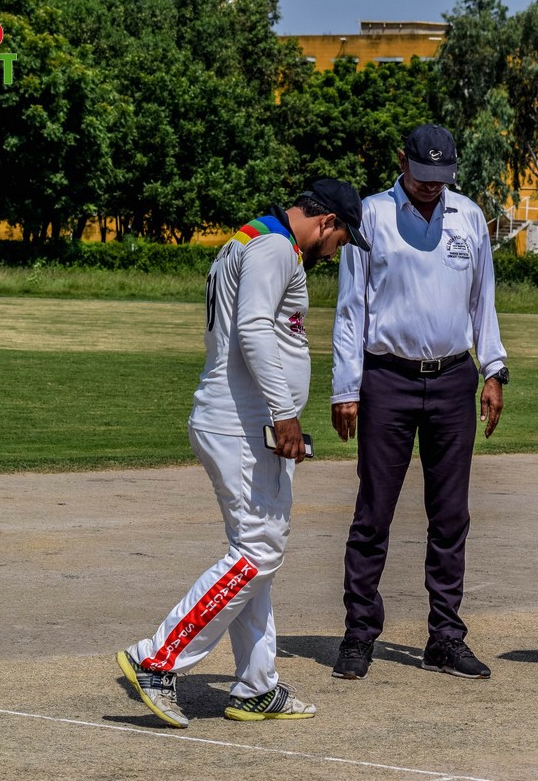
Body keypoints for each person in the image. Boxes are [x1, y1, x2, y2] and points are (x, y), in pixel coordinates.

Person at [116, 179, 368, 727]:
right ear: (326, 222)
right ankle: (158, 658)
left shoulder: (251, 239)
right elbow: (253, 329)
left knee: (257, 554)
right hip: (244, 425)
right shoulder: (276, 247)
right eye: (342, 238)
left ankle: (256, 685)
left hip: (242, 422)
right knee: (257, 552)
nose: (338, 251)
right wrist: (284, 412)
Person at [329, 124, 509, 681]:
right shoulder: (371, 215)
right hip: (387, 379)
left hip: (453, 379)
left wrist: (493, 370)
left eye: (442, 176)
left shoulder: (468, 216)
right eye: (423, 174)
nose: (432, 185)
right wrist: (346, 388)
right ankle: (359, 633)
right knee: (373, 513)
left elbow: (483, 300)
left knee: (451, 515)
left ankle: (445, 637)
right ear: (401, 162)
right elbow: (351, 308)